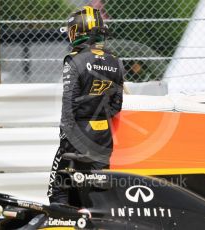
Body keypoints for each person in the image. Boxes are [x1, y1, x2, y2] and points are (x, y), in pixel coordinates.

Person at [47, 6, 124, 205]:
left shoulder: (74, 59)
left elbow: (69, 102)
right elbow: (117, 105)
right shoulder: (115, 61)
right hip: (103, 134)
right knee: (97, 189)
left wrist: (66, 135)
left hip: (78, 131)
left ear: (79, 31)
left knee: (59, 189)